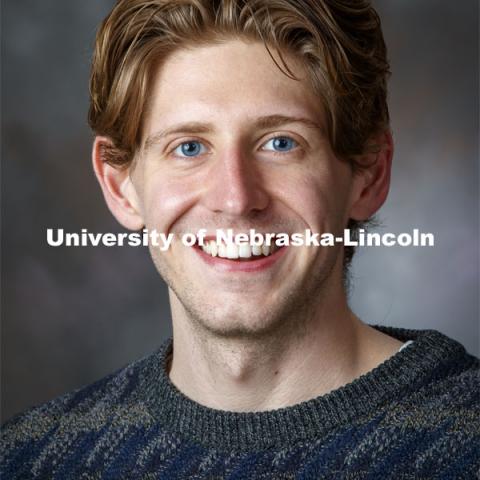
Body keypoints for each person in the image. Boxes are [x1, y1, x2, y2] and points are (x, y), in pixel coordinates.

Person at [1, 0, 478, 478]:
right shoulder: (31, 459)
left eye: (281, 143)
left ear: (369, 174)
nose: (235, 197)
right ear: (120, 186)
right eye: (188, 147)